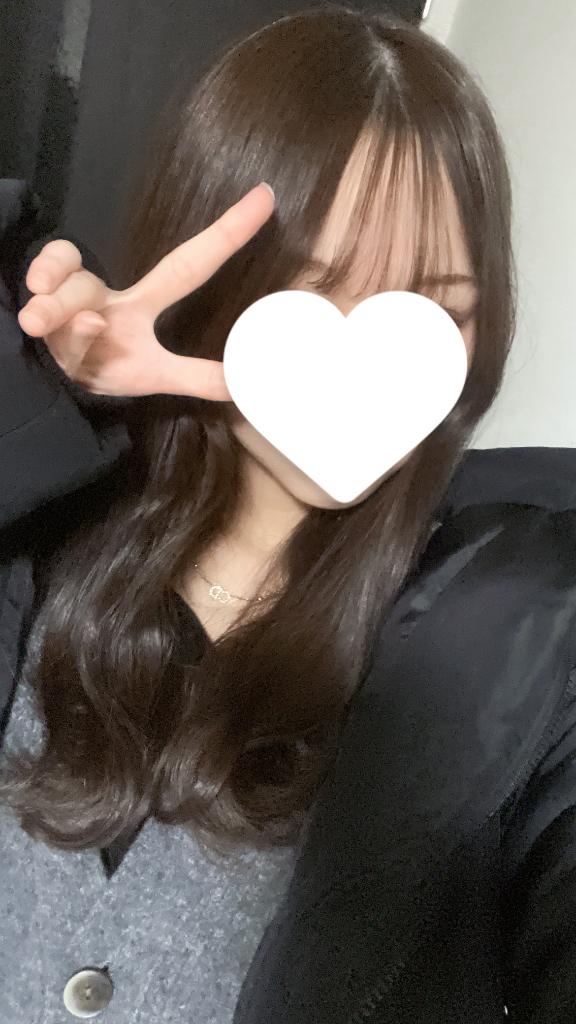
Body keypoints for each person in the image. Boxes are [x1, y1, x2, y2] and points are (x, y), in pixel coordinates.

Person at [1, 5, 576, 1021]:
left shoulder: (525, 634)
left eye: (434, 308)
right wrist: (49, 404)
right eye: (310, 295)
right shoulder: (45, 523)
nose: (362, 368)